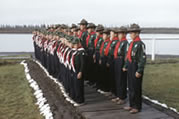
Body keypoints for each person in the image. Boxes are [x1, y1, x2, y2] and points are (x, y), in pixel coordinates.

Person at [123, 24, 146, 114]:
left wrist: (139, 70)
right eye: (130, 33)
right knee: (131, 86)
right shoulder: (131, 43)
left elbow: (142, 58)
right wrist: (126, 66)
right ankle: (131, 104)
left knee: (136, 87)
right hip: (131, 65)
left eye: (132, 33)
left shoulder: (140, 44)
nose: (130, 34)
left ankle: (137, 106)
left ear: (137, 33)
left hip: (136, 66)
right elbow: (128, 56)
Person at [111, 26, 128, 105]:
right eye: (118, 34)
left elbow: (126, 55)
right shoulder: (119, 42)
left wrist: (125, 65)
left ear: (124, 34)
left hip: (121, 60)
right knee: (117, 78)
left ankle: (122, 97)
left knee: (122, 79)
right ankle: (118, 95)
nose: (119, 35)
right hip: (117, 60)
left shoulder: (125, 43)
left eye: (120, 34)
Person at [71, 38, 86, 106]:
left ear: (79, 44)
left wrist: (80, 72)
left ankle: (80, 101)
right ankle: (78, 99)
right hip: (75, 71)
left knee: (79, 86)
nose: (75, 46)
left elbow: (83, 63)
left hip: (79, 71)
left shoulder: (81, 52)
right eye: (74, 44)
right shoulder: (75, 52)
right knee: (76, 86)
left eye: (76, 44)